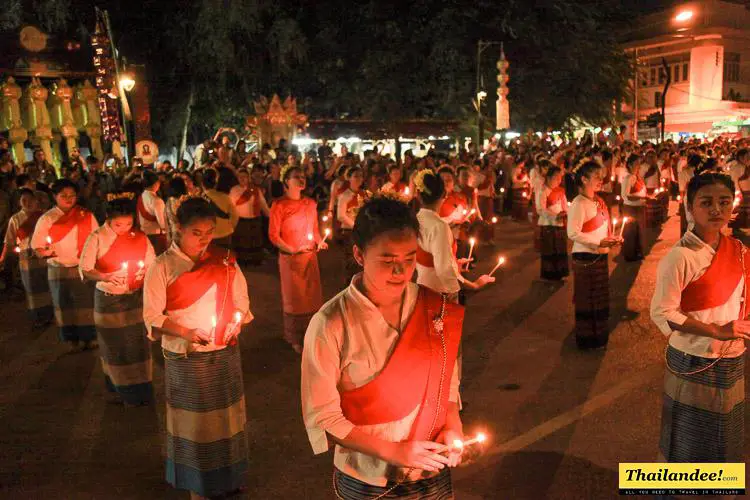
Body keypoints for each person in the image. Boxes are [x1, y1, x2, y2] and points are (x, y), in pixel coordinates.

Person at [302, 196, 466, 499]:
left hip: (431, 468)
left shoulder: (433, 308)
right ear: (360, 255)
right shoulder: (331, 323)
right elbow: (324, 418)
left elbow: (449, 384)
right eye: (388, 261)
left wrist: (453, 425)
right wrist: (395, 452)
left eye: (409, 259)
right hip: (367, 478)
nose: (400, 272)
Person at [143, 197, 252, 499]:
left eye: (209, 232)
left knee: (227, 418)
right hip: (186, 356)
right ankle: (199, 484)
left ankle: (231, 475)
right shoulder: (162, 265)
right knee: (195, 425)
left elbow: (242, 302)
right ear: (178, 228)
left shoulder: (225, 260)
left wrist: (236, 325)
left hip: (223, 351)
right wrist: (185, 332)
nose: (204, 240)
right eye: (196, 233)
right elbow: (152, 315)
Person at [650, 171, 748, 464]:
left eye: (724, 202)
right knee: (688, 439)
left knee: (725, 436)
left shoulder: (739, 251)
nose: (716, 210)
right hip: (694, 357)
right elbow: (662, 311)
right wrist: (716, 331)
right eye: (706, 202)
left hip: (732, 355)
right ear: (689, 206)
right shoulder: (680, 257)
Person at [79, 193, 156, 406]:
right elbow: (85, 269)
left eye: (129, 223)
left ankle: (141, 389)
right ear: (108, 219)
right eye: (118, 224)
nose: (124, 228)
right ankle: (120, 391)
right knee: (115, 346)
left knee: (137, 345)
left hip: (135, 298)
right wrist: (105, 276)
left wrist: (145, 275)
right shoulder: (96, 237)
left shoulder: (139, 237)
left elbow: (152, 263)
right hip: (108, 298)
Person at [32, 179, 99, 350]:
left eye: (72, 195)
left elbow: (97, 239)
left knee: (85, 303)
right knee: (63, 304)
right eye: (63, 196)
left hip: (81, 267)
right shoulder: (47, 218)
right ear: (54, 196)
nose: (69, 199)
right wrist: (43, 252)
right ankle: (71, 340)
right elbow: (37, 245)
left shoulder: (86, 215)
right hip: (58, 268)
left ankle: (89, 336)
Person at [268, 165, 325, 353]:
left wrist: (319, 242)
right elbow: (274, 235)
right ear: (286, 182)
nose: (301, 179)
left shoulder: (310, 203)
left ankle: (312, 333)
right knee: (295, 299)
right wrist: (291, 249)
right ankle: (296, 338)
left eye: (303, 176)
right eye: (296, 177)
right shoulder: (279, 205)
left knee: (312, 297)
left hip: (310, 257)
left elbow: (314, 230)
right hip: (290, 259)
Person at [414, 169, 495, 300]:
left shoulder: (417, 219)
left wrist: (454, 263)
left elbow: (431, 257)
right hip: (439, 292)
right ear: (444, 195)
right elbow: (444, 271)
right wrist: (474, 285)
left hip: (423, 286)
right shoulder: (439, 226)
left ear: (418, 195)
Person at [567, 160, 622, 349]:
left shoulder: (598, 201)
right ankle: (587, 339)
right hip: (585, 257)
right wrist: (598, 242)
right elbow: (572, 233)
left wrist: (611, 239)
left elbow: (602, 227)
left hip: (599, 255)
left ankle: (599, 336)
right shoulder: (578, 203)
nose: (601, 180)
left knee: (599, 298)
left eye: (601, 177)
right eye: (596, 177)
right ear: (584, 179)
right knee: (588, 299)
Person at [0, 188, 53, 329]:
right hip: (26, 257)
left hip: (43, 255)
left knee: (46, 284)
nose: (28, 203)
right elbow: (9, 240)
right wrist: (2, 258)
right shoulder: (15, 219)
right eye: (24, 200)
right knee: (31, 288)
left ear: (36, 201)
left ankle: (50, 315)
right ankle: (37, 317)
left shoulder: (43, 216)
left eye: (31, 200)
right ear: (19, 202)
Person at [229, 167, 270, 265]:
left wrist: (271, 215)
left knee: (254, 241)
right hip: (241, 221)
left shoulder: (255, 190)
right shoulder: (234, 190)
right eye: (240, 177)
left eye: (244, 177)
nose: (242, 179)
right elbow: (230, 206)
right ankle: (242, 261)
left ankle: (254, 260)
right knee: (242, 241)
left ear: (248, 178)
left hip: (254, 220)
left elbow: (263, 204)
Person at [536, 166, 569, 280]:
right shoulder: (543, 191)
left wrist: (566, 212)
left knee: (560, 248)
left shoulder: (560, 190)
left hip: (559, 224)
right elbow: (540, 209)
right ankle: (549, 274)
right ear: (549, 178)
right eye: (556, 178)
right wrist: (555, 216)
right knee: (550, 249)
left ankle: (561, 272)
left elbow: (565, 205)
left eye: (560, 178)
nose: (559, 181)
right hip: (548, 224)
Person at [337, 166, 370, 280]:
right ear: (349, 179)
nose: (359, 179)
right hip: (349, 232)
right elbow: (341, 215)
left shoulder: (364, 194)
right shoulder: (344, 195)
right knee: (351, 261)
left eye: (361, 176)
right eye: (356, 176)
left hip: (362, 231)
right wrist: (355, 225)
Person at [203, 167, 239, 249]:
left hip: (207, 237)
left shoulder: (199, 199)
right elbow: (235, 216)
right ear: (216, 183)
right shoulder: (225, 197)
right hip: (225, 234)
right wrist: (229, 227)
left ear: (202, 183)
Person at [621, 153, 648, 262]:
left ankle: (637, 252)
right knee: (630, 232)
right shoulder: (629, 178)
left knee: (639, 231)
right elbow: (625, 195)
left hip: (639, 207)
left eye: (639, 164)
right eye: (637, 164)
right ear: (631, 165)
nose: (639, 166)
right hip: (631, 208)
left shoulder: (636, 177)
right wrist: (641, 197)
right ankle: (630, 254)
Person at [137, 170, 168, 254]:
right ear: (156, 183)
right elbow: (163, 224)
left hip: (144, 234)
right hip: (156, 237)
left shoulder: (142, 196)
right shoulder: (157, 200)